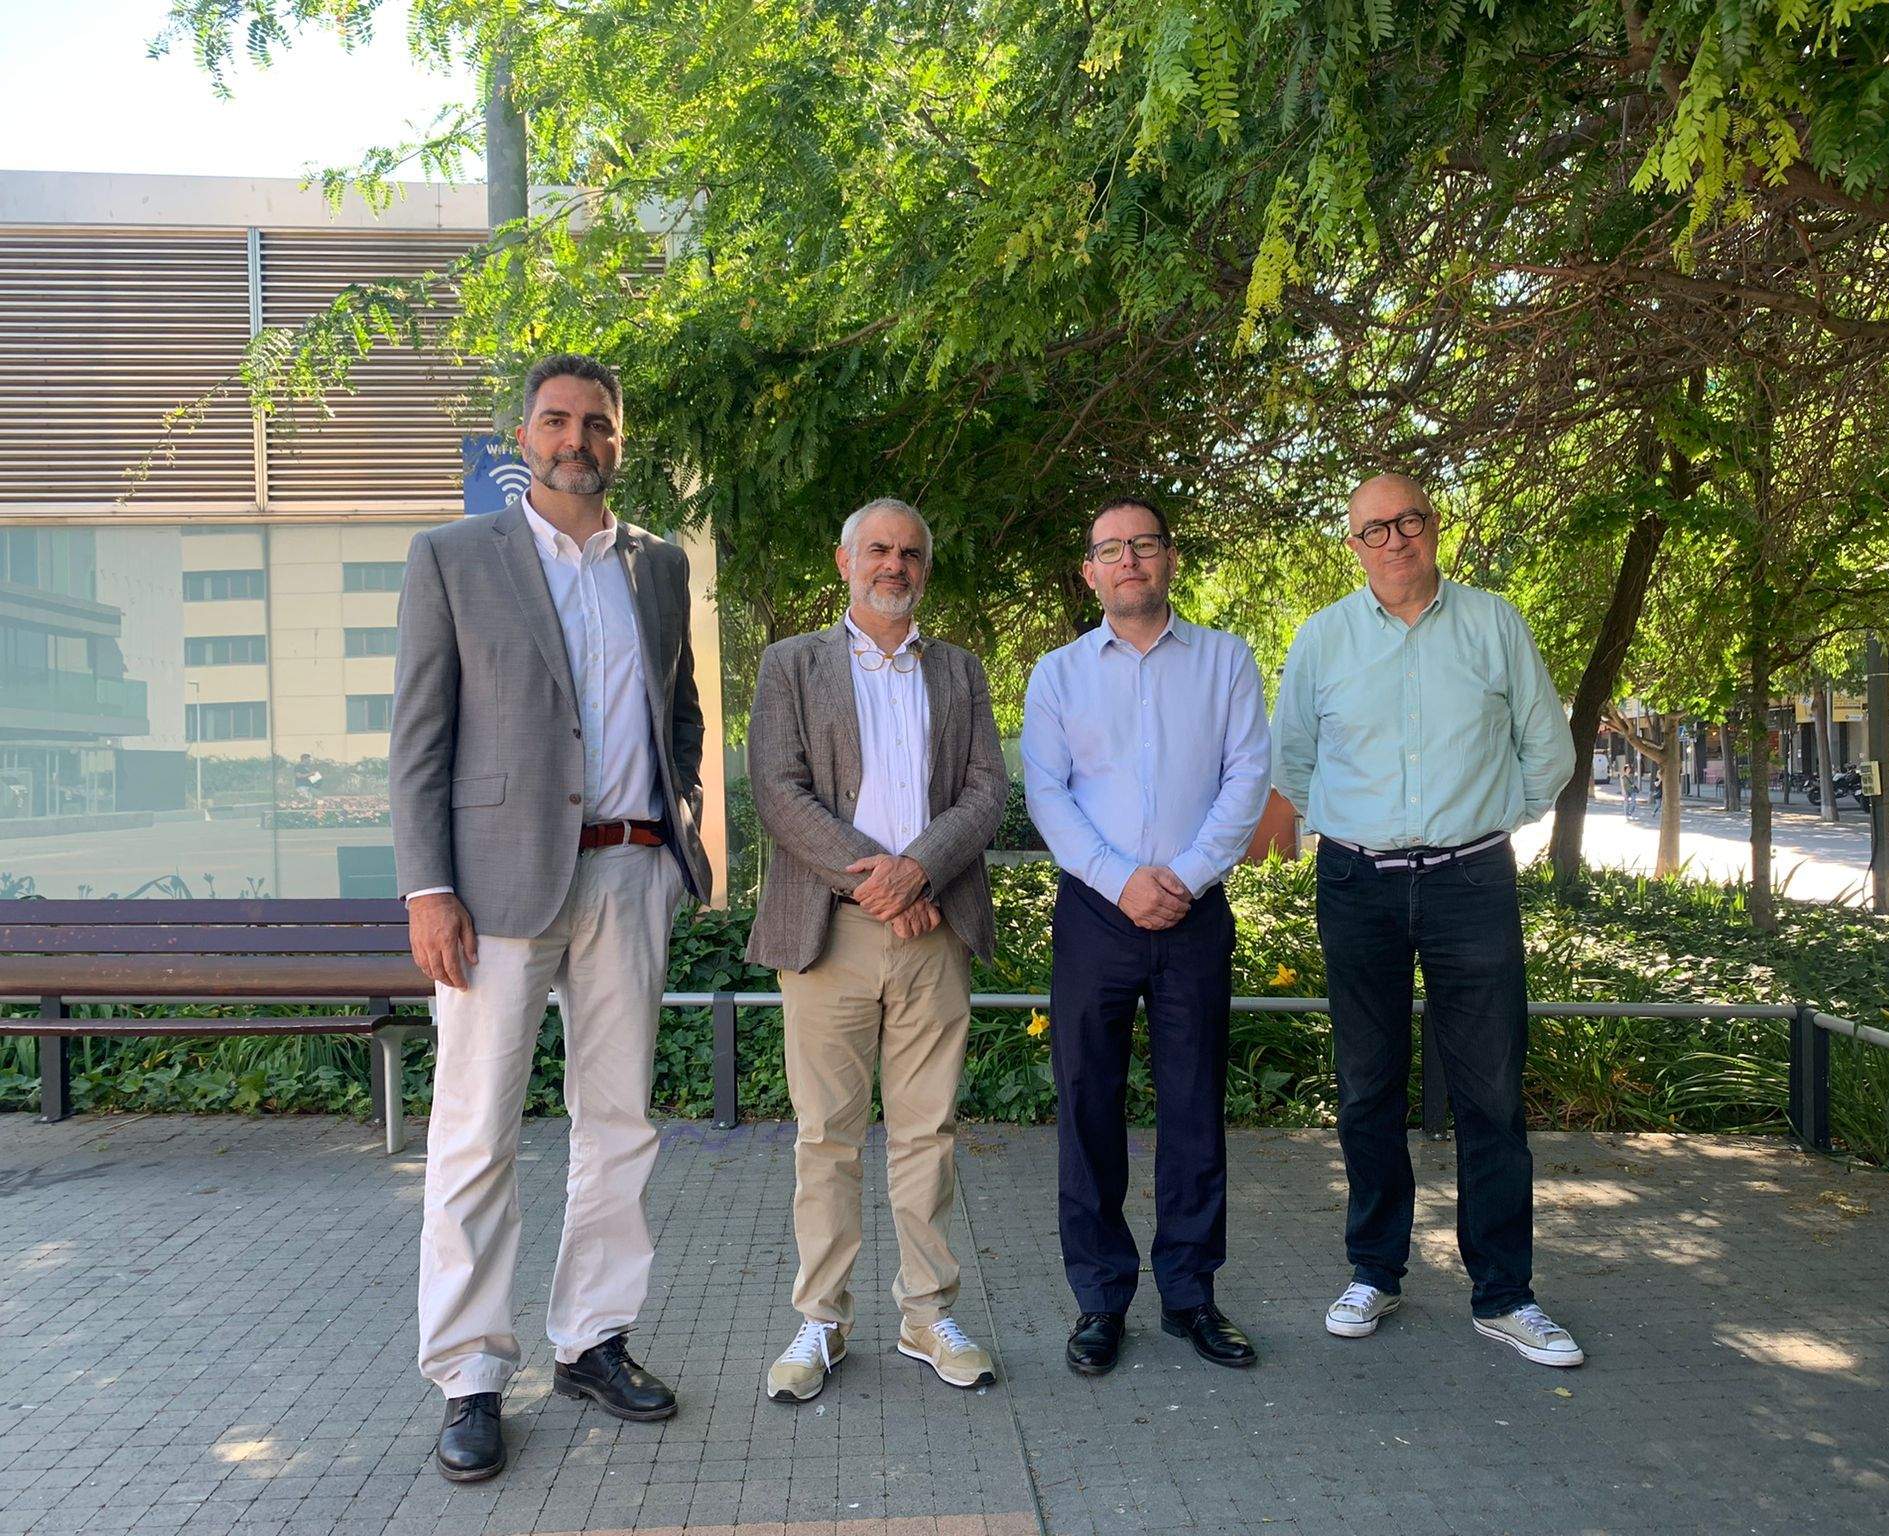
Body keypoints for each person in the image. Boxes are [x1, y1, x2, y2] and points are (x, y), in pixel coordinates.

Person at [391, 354, 713, 1482]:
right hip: (494, 893)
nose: (580, 439)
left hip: (631, 875)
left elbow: (680, 711)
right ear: (523, 436)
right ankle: (471, 1373)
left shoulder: (659, 565)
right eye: (559, 420)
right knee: (475, 1135)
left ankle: (593, 1339)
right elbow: (419, 739)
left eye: (600, 424)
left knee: (618, 1122)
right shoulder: (452, 557)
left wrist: (680, 820)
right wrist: (428, 888)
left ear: (620, 440)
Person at [1273, 472, 1584, 1369]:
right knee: (1366, 1085)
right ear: (1354, 545)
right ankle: (1375, 1270)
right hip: (1356, 882)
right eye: (1374, 529)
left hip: (1470, 881)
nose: (1394, 539)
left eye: (1408, 520)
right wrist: (1354, 827)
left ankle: (1505, 1293)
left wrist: (1487, 820)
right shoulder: (1323, 639)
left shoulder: (1495, 625)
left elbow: (1548, 750)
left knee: (1491, 1090)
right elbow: (1293, 761)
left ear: (1433, 527)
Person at [746, 497, 1008, 1403]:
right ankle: (821, 1320)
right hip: (830, 930)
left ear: (924, 568)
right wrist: (878, 882)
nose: (895, 565)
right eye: (879, 550)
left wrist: (920, 871)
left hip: (933, 926)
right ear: (845, 561)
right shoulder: (791, 665)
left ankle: (927, 1314)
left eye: (911, 553)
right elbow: (778, 791)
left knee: (928, 1131)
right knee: (827, 1135)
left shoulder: (960, 670)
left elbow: (986, 790)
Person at [1020, 497, 1271, 1377]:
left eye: (1145, 544)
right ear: (1089, 571)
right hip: (1096, 912)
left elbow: (1248, 776)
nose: (1129, 559)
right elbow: (1046, 792)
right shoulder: (1057, 674)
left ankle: (1192, 1296)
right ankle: (1100, 1299)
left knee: (1195, 1105)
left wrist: (1186, 876)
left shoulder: (1226, 660)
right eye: (1111, 549)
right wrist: (1119, 878)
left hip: (1195, 911)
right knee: (1087, 1103)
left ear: (1170, 559)